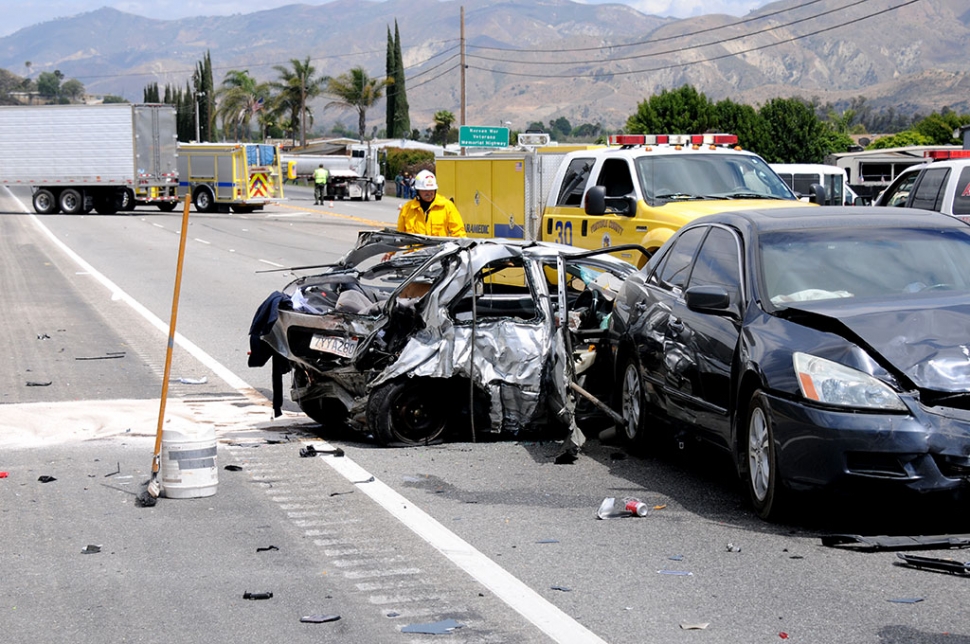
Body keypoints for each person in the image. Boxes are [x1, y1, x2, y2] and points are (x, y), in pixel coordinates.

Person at [397, 170, 466, 237]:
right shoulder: (407, 209)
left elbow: (459, 233)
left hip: (439, 248)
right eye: (425, 190)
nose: (429, 193)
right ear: (418, 191)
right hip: (416, 249)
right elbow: (399, 237)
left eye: (431, 190)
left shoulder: (447, 206)